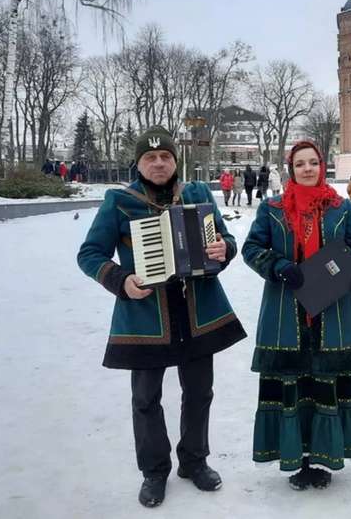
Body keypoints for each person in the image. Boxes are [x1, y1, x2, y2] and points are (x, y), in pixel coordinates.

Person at [77, 126, 247, 508]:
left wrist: (225, 248)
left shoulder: (198, 194)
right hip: (147, 316)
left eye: (165, 156)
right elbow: (89, 254)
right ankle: (154, 471)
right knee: (146, 398)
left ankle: (195, 461)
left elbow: (224, 240)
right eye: (150, 158)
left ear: (175, 160)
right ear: (138, 163)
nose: (158, 163)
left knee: (200, 391)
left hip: (196, 311)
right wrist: (121, 280)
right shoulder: (120, 203)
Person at [242, 140, 351, 491]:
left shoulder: (341, 208)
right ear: (291, 169)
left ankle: (324, 458)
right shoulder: (272, 209)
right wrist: (279, 266)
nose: (308, 169)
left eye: (314, 162)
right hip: (285, 313)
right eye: (301, 164)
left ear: (322, 165)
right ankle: (297, 457)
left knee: (324, 383)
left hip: (333, 314)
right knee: (294, 385)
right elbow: (252, 249)